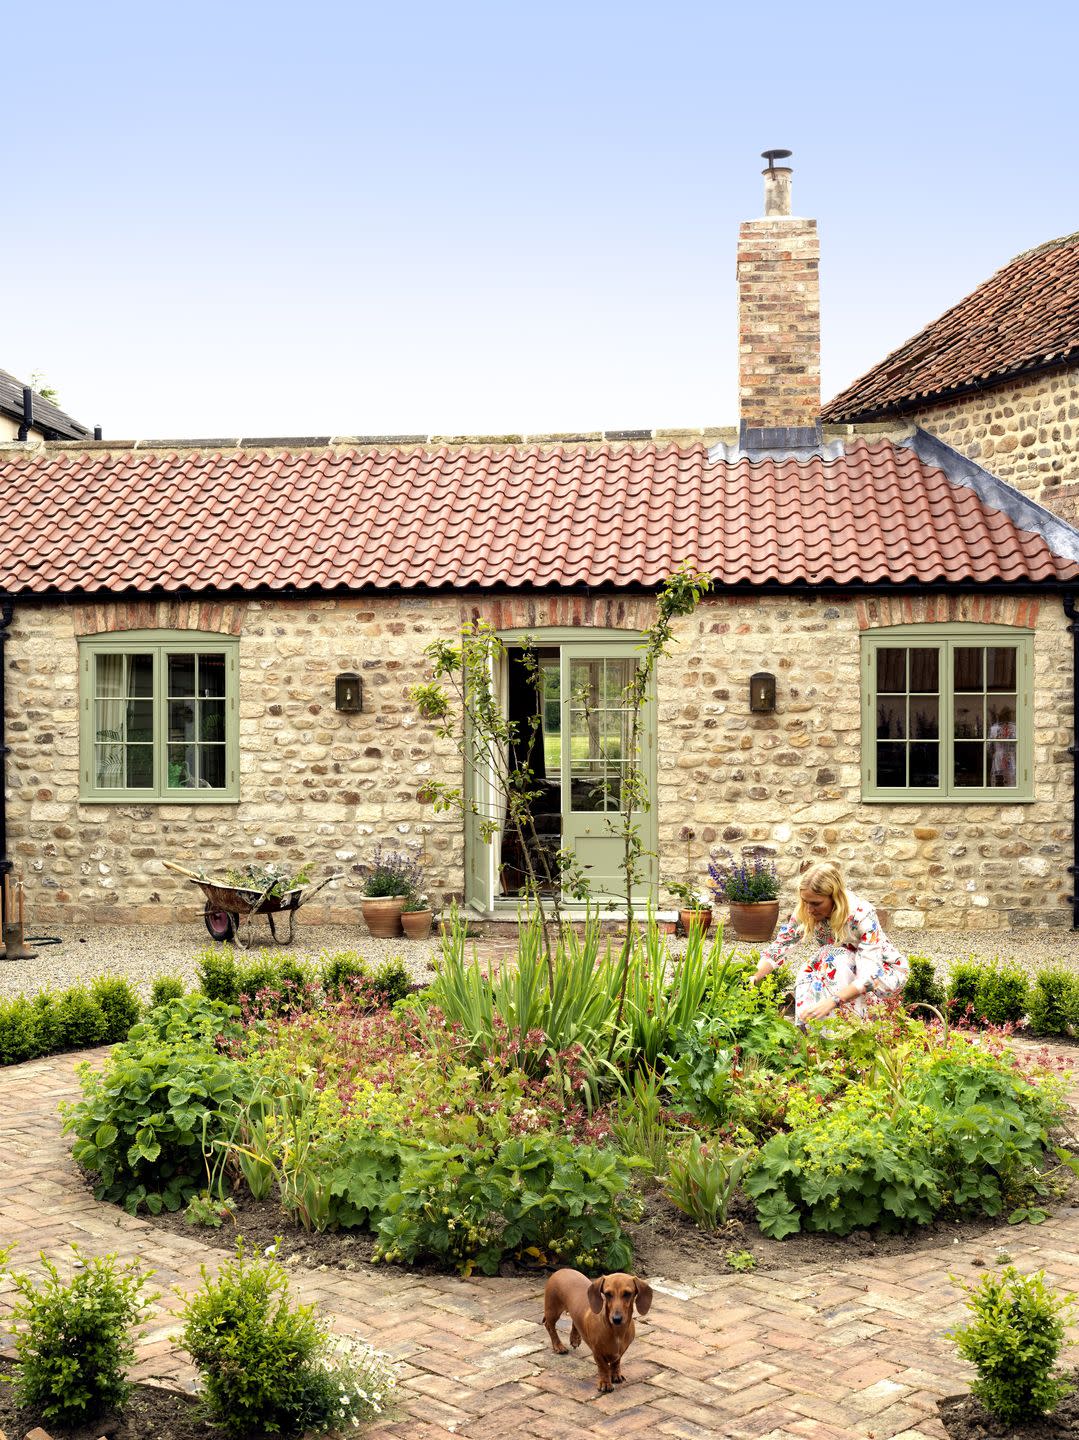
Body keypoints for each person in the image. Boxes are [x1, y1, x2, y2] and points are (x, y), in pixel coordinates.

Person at [749, 860, 908, 1024]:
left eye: (816, 903)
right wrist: (755, 975)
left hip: (884, 973)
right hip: (844, 965)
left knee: (834, 957)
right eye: (805, 901)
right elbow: (781, 945)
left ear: (835, 897)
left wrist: (832, 1001)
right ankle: (811, 1031)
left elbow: (869, 976)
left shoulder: (861, 914)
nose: (809, 909)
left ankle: (848, 1032)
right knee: (810, 969)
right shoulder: (806, 910)